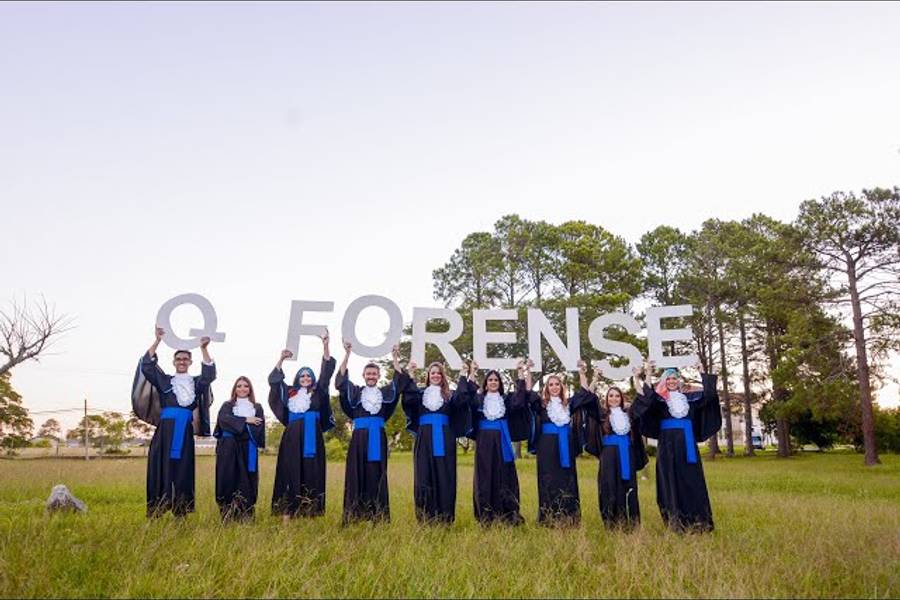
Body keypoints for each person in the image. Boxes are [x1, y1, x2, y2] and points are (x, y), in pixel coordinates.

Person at [131, 326, 216, 517]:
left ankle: (181, 511)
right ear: (174, 362)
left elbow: (210, 374)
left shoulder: (196, 383)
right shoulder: (165, 381)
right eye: (178, 359)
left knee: (183, 468)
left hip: (184, 432)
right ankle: (157, 509)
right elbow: (146, 366)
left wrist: (204, 348)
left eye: (185, 359)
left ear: (191, 362)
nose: (182, 362)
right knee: (160, 466)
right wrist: (157, 341)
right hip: (165, 432)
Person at [638, 361, 721, 532]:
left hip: (687, 446)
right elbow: (646, 398)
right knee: (670, 481)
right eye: (668, 379)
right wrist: (647, 372)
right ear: (664, 382)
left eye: (674, 378)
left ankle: (698, 520)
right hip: (667, 447)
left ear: (679, 381)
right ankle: (675, 522)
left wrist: (702, 372)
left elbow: (710, 396)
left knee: (692, 480)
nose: (671, 382)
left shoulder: (691, 401)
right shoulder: (660, 402)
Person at [268, 332, 336, 519]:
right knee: (290, 470)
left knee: (312, 470)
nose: (305, 377)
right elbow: (274, 382)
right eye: (302, 375)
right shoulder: (289, 393)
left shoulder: (318, 392)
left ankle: (310, 512)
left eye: (308, 375)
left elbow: (326, 373)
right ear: (297, 378)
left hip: (312, 437)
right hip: (292, 437)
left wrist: (325, 345)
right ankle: (287, 513)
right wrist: (281, 359)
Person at [335, 340, 402, 524]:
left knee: (377, 474)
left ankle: (377, 517)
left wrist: (395, 357)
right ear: (363, 375)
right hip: (358, 438)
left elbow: (399, 381)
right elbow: (340, 381)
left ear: (379, 375)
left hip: (378, 438)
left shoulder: (385, 393)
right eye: (368, 373)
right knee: (355, 473)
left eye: (374, 373)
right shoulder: (356, 392)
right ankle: (353, 516)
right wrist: (347, 354)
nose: (371, 376)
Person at [400, 359, 471, 524]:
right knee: (423, 475)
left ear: (443, 376)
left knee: (444, 475)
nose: (436, 375)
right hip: (424, 438)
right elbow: (408, 400)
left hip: (445, 439)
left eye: (439, 373)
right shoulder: (420, 394)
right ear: (428, 376)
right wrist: (410, 374)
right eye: (433, 373)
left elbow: (462, 400)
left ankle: (445, 517)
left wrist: (462, 375)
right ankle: (425, 517)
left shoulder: (449, 395)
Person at [463, 360, 532, 526]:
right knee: (485, 476)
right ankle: (485, 516)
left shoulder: (506, 400)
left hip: (502, 439)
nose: (493, 382)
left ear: (500, 383)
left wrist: (521, 372)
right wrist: (472, 372)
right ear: (485, 384)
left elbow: (520, 399)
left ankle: (509, 515)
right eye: (490, 380)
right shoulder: (479, 400)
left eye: (496, 380)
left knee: (505, 475)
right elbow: (468, 396)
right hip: (484, 441)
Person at [525, 360, 594, 527]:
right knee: (548, 478)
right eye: (551, 385)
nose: (554, 387)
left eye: (557, 384)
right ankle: (549, 518)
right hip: (547, 446)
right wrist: (529, 371)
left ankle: (570, 518)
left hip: (566, 445)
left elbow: (585, 393)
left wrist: (582, 373)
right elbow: (528, 393)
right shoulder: (542, 405)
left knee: (567, 478)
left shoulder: (568, 404)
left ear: (561, 387)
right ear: (546, 388)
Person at [581, 365, 650, 530]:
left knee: (629, 486)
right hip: (609, 456)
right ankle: (611, 523)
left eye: (617, 396)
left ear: (621, 398)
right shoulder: (603, 414)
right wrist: (594, 378)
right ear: (607, 399)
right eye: (610, 396)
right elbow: (587, 397)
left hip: (627, 454)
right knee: (610, 486)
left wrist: (637, 377)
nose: (613, 398)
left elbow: (643, 397)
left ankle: (631, 523)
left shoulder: (629, 414)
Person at [214, 376, 265, 521]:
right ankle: (227, 515)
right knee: (227, 478)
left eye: (246, 386)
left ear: (250, 389)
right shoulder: (227, 405)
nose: (242, 389)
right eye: (239, 386)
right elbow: (223, 421)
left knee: (247, 480)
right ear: (234, 389)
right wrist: (246, 420)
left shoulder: (257, 407)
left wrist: (237, 426)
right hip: (228, 449)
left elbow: (259, 426)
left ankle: (246, 515)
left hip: (248, 449)